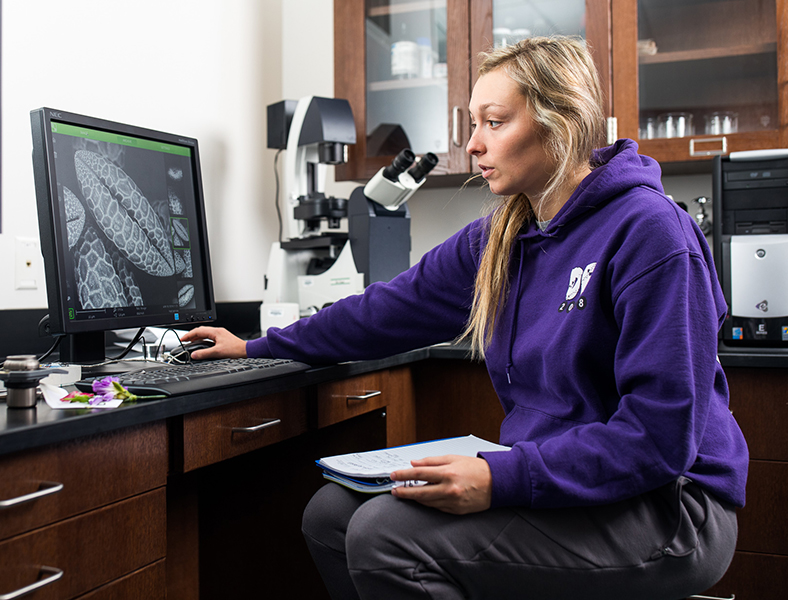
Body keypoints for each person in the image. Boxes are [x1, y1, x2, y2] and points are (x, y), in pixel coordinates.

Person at [181, 36, 748, 600]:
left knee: (387, 537)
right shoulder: (503, 234)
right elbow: (387, 310)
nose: (474, 145)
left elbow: (658, 438)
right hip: (558, 478)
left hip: (667, 503)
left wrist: (502, 477)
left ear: (562, 122)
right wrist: (258, 347)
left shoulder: (650, 233)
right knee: (329, 515)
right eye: (472, 123)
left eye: (495, 122)